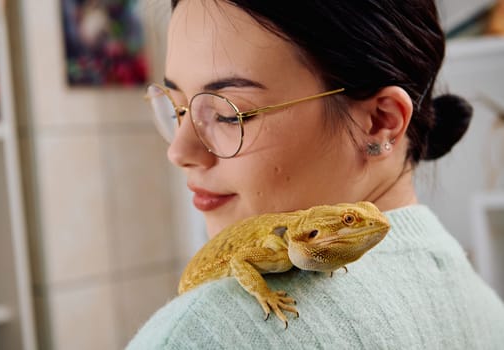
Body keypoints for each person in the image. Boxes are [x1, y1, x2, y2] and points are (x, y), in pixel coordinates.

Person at [127, 0, 504, 348]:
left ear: (380, 121)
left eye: (230, 114)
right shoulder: (488, 309)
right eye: (178, 110)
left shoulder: (200, 334)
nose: (178, 151)